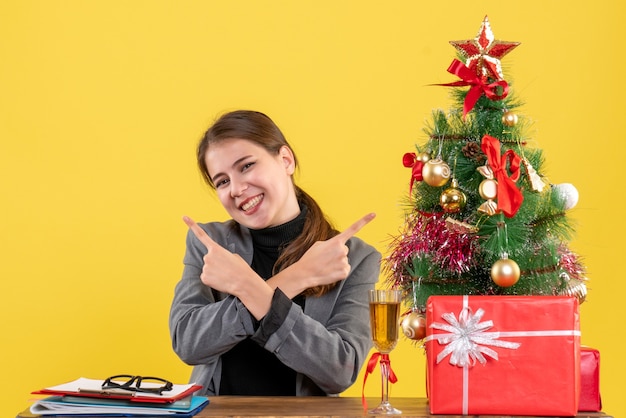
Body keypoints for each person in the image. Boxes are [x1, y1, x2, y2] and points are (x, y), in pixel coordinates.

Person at [169, 110, 381, 397]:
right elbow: (189, 343)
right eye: (222, 181)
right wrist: (297, 277)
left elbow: (340, 370)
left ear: (285, 160)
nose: (237, 189)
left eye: (246, 166)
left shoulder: (353, 257)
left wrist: (249, 290)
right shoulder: (211, 245)